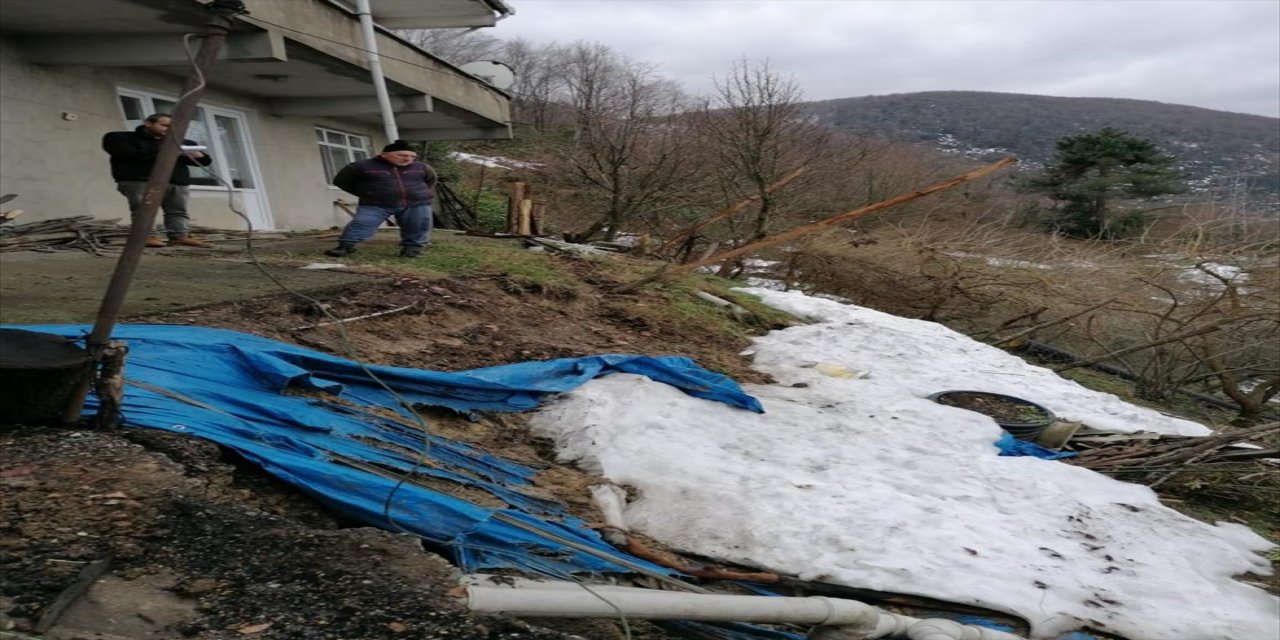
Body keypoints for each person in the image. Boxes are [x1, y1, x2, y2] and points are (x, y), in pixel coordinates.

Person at [101, 113, 214, 248]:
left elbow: (206, 161)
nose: (169, 129)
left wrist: (199, 156)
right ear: (148, 123)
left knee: (178, 211)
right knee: (143, 209)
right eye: (164, 125)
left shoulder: (180, 142)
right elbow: (127, 153)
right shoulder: (120, 137)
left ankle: (179, 236)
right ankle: (146, 237)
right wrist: (167, 150)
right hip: (140, 180)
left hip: (175, 181)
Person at [324, 140, 437, 258]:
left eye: (412, 156)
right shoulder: (360, 166)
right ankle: (345, 247)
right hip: (375, 204)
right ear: (384, 154)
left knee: (417, 226)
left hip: (416, 203)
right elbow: (341, 181)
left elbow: (430, 180)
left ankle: (412, 250)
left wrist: (419, 192)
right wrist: (365, 193)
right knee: (361, 223)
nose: (408, 159)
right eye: (402, 155)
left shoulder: (422, 167)